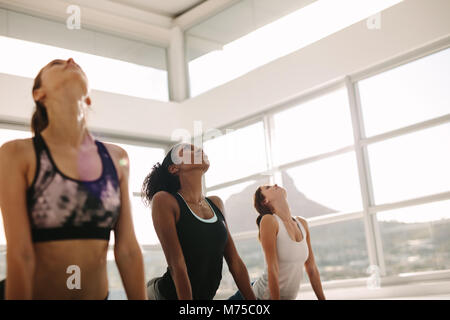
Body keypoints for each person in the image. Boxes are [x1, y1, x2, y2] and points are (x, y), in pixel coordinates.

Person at [0, 58, 147, 299]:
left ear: (88, 98)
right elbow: (20, 253)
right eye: (56, 64)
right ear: (39, 94)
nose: (70, 60)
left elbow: (128, 249)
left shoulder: (117, 157)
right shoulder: (16, 154)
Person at [142, 143, 256, 300]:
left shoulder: (216, 203)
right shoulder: (164, 200)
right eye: (188, 150)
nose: (199, 150)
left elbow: (235, 262)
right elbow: (177, 265)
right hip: (164, 296)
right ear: (174, 168)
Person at [228, 184, 326, 300]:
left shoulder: (302, 223)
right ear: (265, 201)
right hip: (256, 297)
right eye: (268, 188)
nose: (274, 185)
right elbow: (272, 268)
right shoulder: (269, 221)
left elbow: (312, 269)